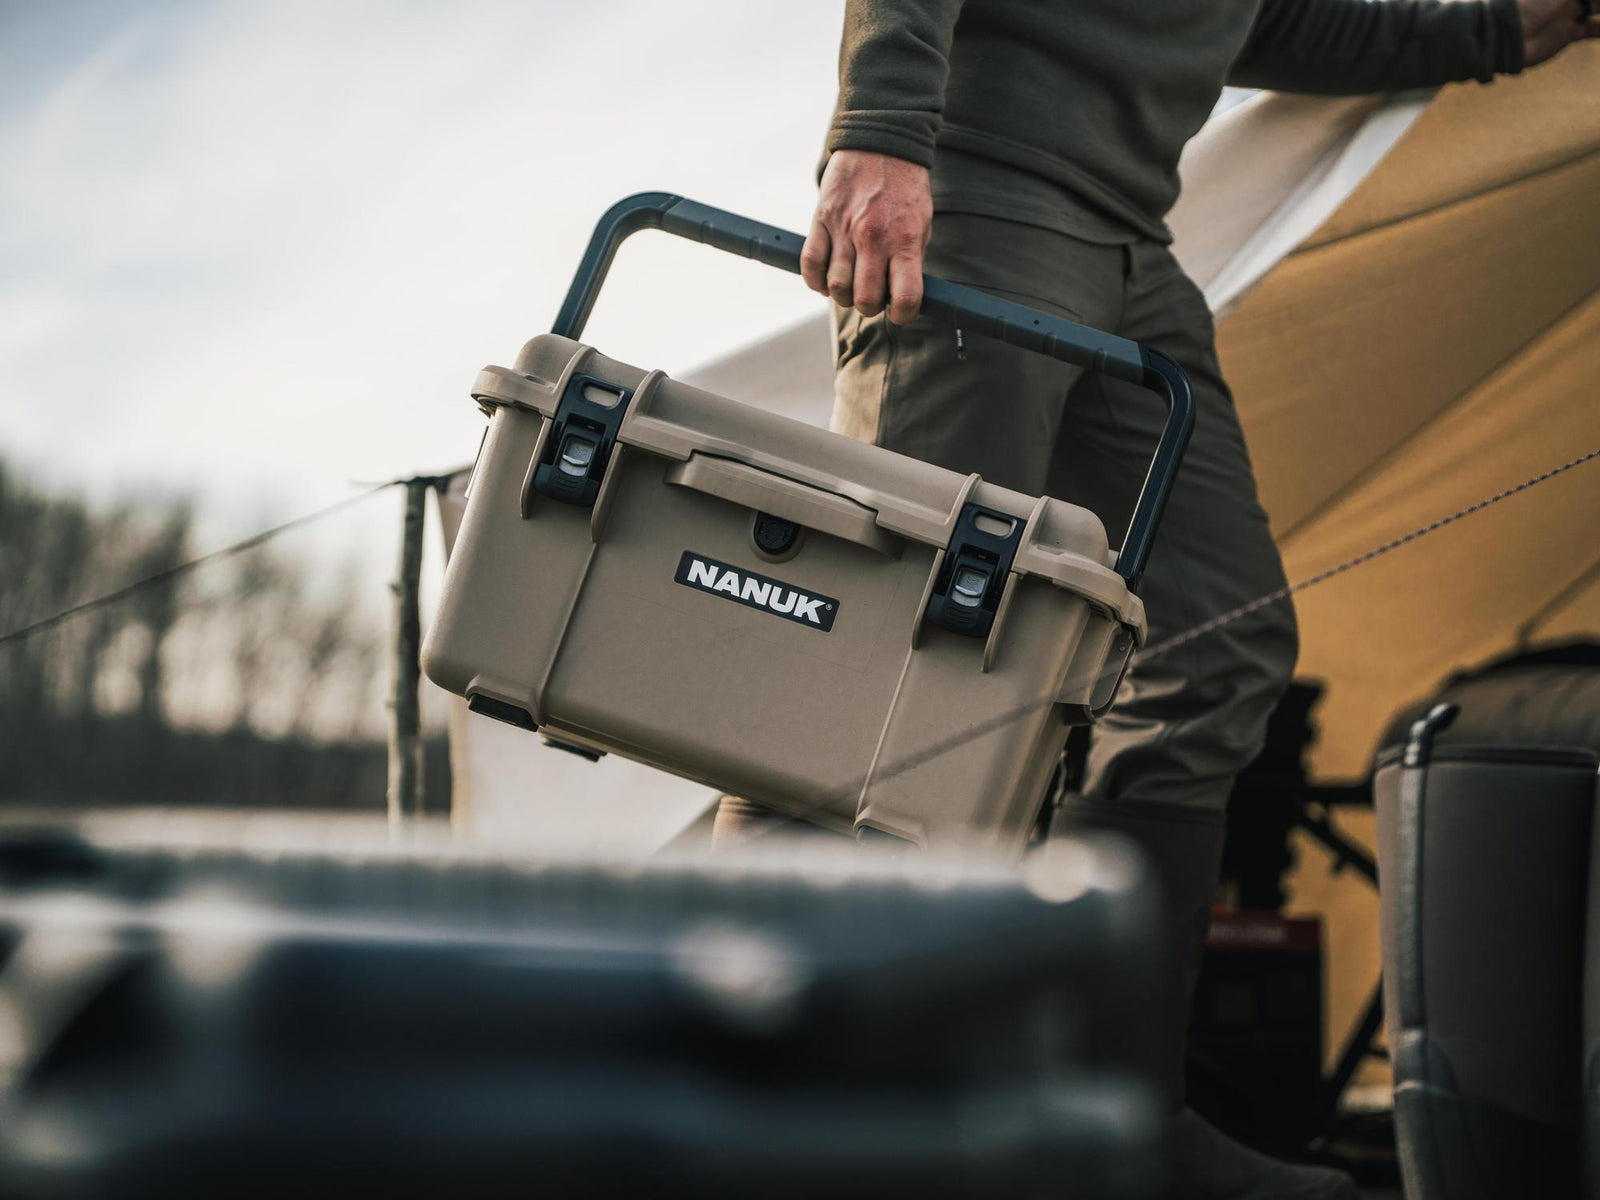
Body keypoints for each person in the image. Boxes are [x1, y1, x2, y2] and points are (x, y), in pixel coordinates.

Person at [717, 1, 1596, 1196]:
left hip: (1132, 249)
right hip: (981, 200)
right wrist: (878, 129)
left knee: (1214, 651)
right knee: (891, 652)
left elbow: (1255, 19)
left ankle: (1111, 1119)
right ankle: (734, 1106)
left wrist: (1499, 28)